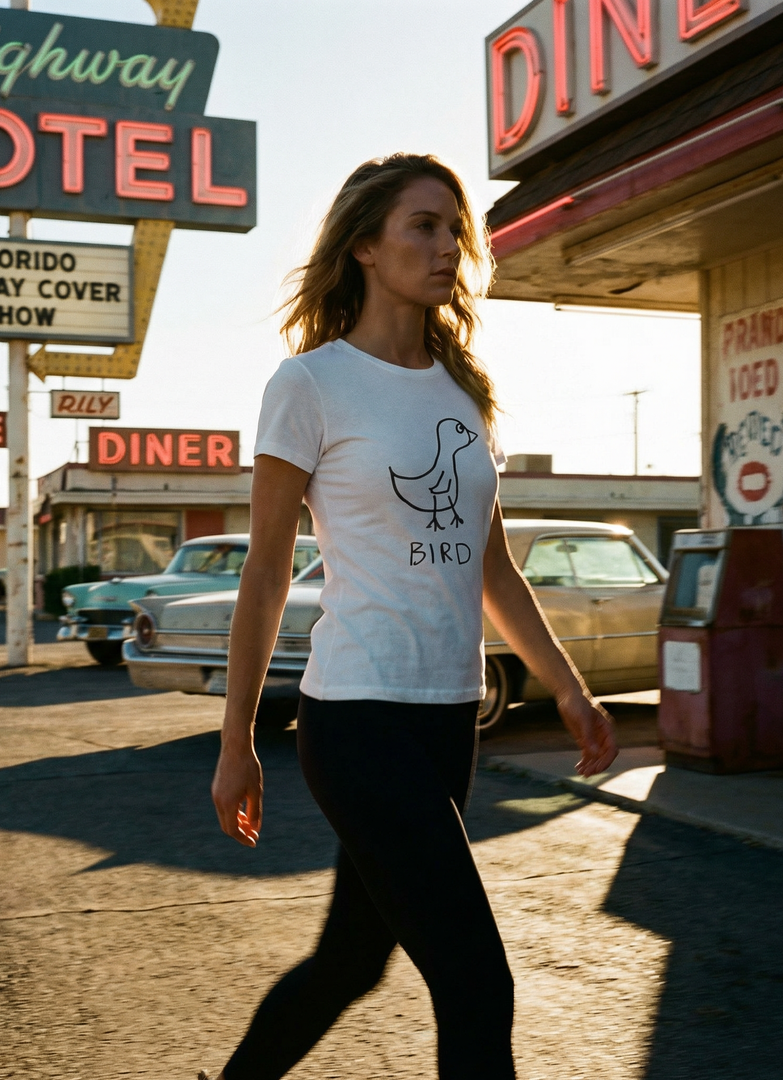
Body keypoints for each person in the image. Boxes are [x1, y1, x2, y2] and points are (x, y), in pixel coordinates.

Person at [209, 153, 618, 1080]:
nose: (447, 247)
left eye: (454, 229)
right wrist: (237, 737)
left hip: (448, 719)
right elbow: (267, 570)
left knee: (351, 962)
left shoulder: (462, 390)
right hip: (355, 717)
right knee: (478, 981)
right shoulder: (309, 385)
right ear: (364, 245)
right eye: (423, 226)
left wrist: (571, 689)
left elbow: (492, 566)